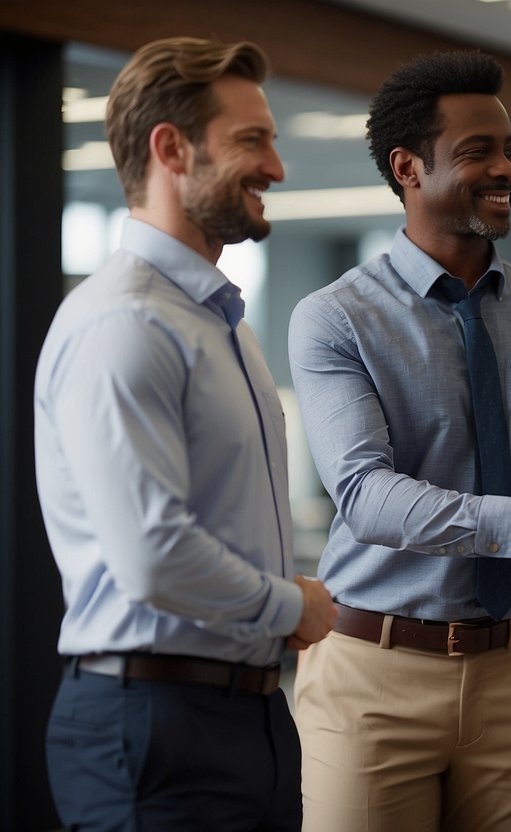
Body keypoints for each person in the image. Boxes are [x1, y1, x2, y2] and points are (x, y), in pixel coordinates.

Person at [287, 50, 511, 832]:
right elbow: (366, 497)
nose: (506, 170)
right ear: (407, 168)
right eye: (477, 152)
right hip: (371, 677)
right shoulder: (335, 318)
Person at [35, 37, 337, 830]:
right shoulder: (125, 322)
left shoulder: (223, 326)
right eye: (252, 140)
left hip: (249, 714)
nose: (276, 167)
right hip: (152, 726)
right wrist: (288, 605)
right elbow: (151, 553)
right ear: (170, 149)